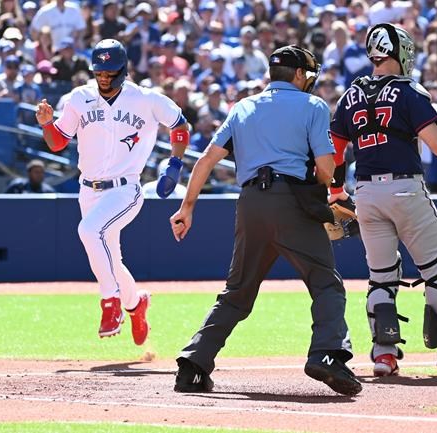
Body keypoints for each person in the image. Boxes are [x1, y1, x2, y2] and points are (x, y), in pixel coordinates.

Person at [169, 45, 362, 397]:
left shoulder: (243, 107)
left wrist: (187, 208)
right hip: (292, 203)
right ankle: (327, 354)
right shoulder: (313, 106)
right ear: (301, 75)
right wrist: (329, 195)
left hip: (251, 204)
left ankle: (193, 364)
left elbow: (207, 160)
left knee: (237, 293)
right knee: (326, 283)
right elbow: (324, 167)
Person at [329, 23, 437, 378]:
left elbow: (336, 150)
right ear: (399, 52)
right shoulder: (408, 91)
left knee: (381, 277)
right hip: (405, 189)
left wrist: (334, 192)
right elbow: (436, 143)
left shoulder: (352, 93)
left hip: (366, 192)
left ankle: (383, 354)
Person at [35, 39, 189, 345]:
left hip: (125, 188)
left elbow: (180, 125)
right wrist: (46, 124)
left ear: (124, 70)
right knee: (110, 260)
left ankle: (110, 304)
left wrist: (174, 166)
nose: (104, 78)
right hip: (87, 189)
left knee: (90, 232)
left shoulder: (145, 99)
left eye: (110, 72)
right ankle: (135, 304)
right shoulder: (80, 97)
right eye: (99, 72)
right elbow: (58, 142)